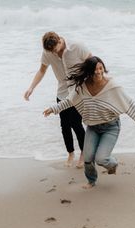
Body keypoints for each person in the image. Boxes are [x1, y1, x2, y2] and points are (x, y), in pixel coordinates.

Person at [43, 56, 135, 188]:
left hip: (111, 127)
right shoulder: (82, 87)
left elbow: (129, 104)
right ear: (89, 72)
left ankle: (113, 164)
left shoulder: (113, 87)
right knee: (88, 159)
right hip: (92, 128)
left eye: (101, 68)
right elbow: (70, 101)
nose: (99, 72)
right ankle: (91, 181)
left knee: (101, 159)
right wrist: (53, 109)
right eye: (95, 70)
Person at [24, 31, 90, 168]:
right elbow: (41, 71)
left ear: (60, 40)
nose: (54, 53)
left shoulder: (76, 46)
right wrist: (31, 88)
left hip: (77, 91)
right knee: (64, 125)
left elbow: (92, 61)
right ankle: (71, 153)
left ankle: (84, 153)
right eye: (51, 52)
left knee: (76, 124)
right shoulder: (48, 52)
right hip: (61, 92)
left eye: (55, 50)